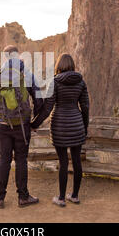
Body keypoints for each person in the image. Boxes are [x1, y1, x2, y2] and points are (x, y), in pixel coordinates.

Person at [0, 45, 43, 208]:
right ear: (18, 57)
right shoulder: (28, 75)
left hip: (3, 125)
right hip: (23, 126)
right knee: (21, 160)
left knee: (4, 160)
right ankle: (23, 197)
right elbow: (39, 100)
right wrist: (33, 123)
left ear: (4, 58)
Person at [31, 53, 89, 207]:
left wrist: (34, 124)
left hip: (59, 127)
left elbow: (47, 107)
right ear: (72, 65)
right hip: (77, 125)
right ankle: (75, 196)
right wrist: (84, 127)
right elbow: (85, 107)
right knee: (77, 161)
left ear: (58, 66)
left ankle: (62, 198)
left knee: (63, 162)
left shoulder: (54, 82)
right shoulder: (81, 82)